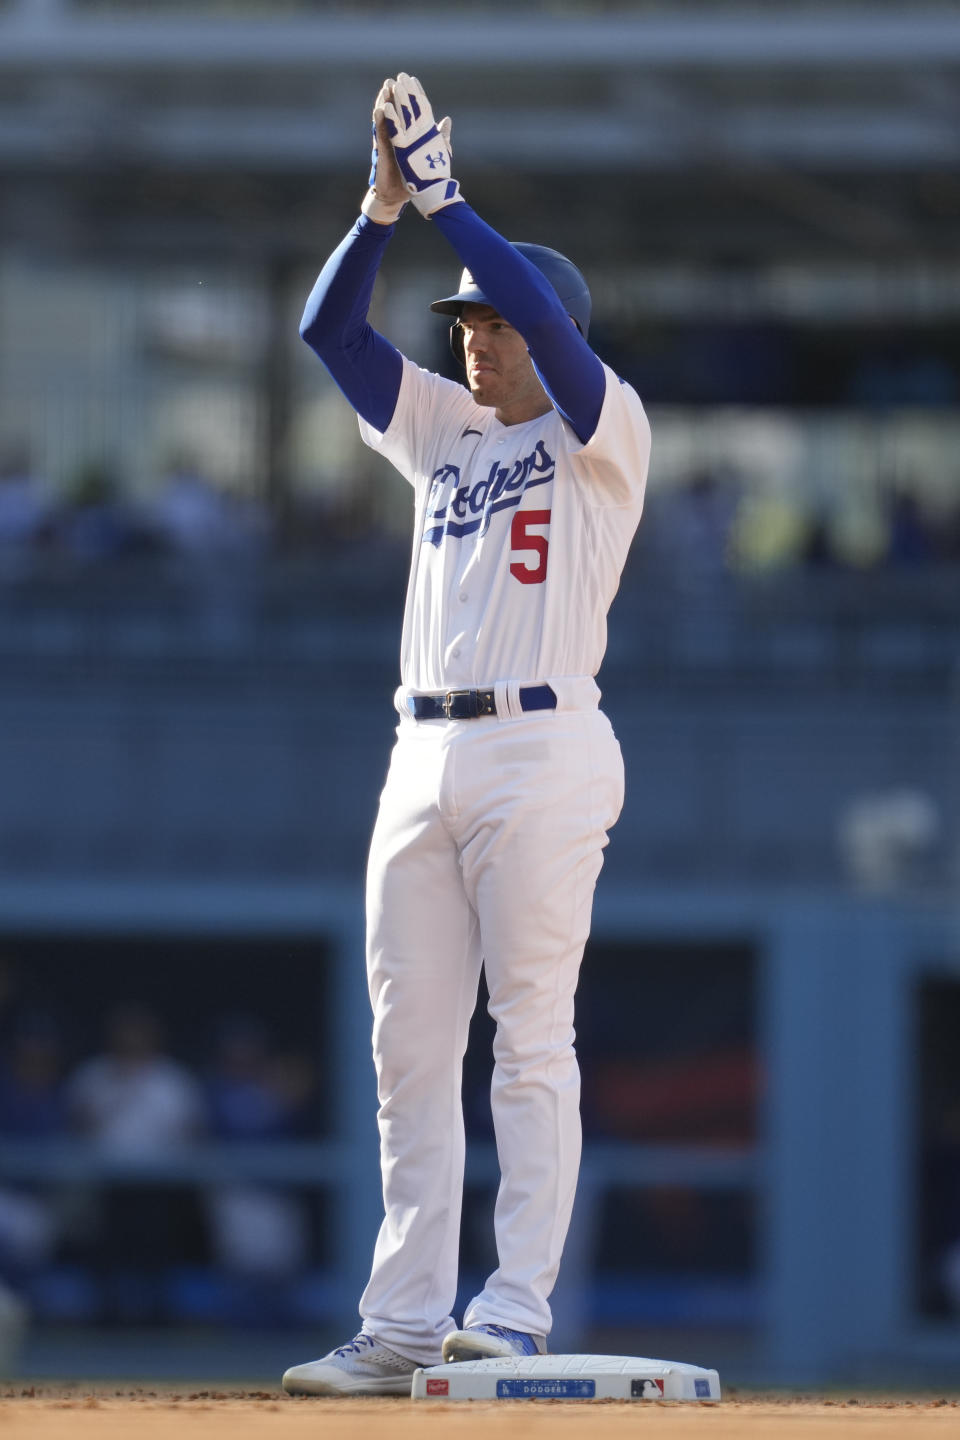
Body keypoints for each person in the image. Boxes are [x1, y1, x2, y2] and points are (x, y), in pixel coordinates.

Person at [283, 73, 650, 1397]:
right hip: (420, 752)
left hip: (544, 750)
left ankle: (515, 1307)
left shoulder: (605, 431)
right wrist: (383, 212)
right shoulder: (438, 427)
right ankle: (395, 1328)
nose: (472, 335)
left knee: (529, 1040)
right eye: (465, 319)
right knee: (410, 1053)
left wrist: (457, 205)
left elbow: (551, 326)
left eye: (491, 317)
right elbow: (328, 330)